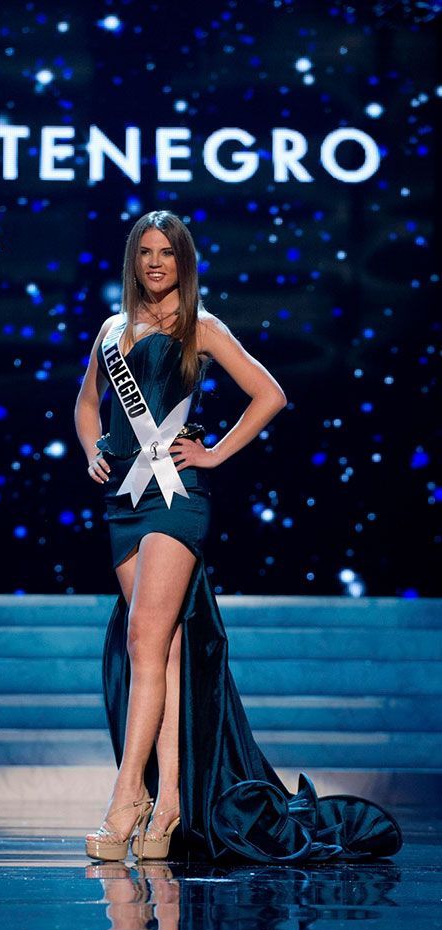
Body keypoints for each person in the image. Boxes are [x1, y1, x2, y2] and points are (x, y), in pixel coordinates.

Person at [74, 210, 403, 865]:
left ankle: (125, 800)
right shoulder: (111, 331)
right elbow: (87, 404)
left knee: (144, 641)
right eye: (146, 252)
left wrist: (217, 453)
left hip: (174, 497)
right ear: (133, 261)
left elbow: (269, 393)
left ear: (183, 261)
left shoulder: (202, 327)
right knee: (160, 655)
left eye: (167, 252)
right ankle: (167, 803)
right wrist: (90, 450)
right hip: (123, 500)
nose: (156, 262)